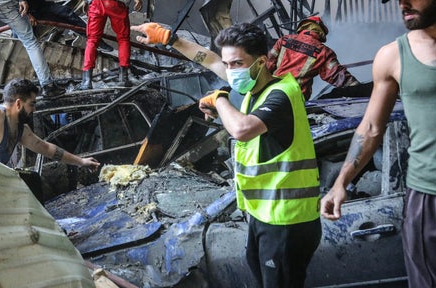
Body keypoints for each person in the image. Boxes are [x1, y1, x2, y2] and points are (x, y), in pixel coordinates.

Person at [132, 21, 321, 287]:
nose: (230, 71)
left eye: (237, 64)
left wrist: (219, 99)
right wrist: (170, 39)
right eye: (228, 64)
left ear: (261, 61)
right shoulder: (252, 89)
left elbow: (242, 129)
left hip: (288, 220)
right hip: (264, 215)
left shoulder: (282, 95)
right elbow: (210, 60)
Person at [321, 0, 436, 286]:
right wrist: (341, 183)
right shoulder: (392, 56)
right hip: (430, 198)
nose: (403, 5)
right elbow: (371, 128)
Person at [0, 78, 100, 169]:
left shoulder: (21, 130)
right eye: (32, 104)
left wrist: (81, 162)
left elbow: (47, 148)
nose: (34, 109)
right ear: (18, 104)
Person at [266, 15, 360, 100]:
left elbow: (268, 65)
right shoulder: (323, 51)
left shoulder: (284, 40)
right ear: (321, 32)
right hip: (294, 98)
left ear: (303, 27)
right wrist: (359, 88)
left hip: (272, 90)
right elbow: (337, 75)